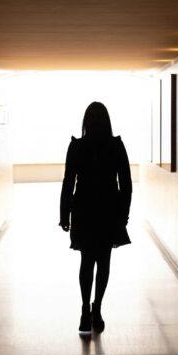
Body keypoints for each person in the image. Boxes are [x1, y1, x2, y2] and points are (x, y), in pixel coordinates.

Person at [59, 102, 132, 336]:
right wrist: (124, 215)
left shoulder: (77, 147)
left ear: (86, 122)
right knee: (104, 261)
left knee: (86, 261)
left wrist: (64, 215)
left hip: (84, 210)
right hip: (109, 211)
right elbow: (126, 185)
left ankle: (84, 311)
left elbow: (68, 182)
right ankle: (97, 309)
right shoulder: (116, 146)